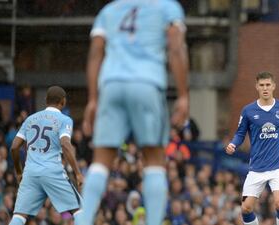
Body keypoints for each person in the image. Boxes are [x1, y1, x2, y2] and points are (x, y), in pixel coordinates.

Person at [78, 0, 189, 224]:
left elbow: (95, 53)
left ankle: (82, 220)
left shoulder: (109, 10)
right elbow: (176, 47)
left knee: (100, 160)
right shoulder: (167, 7)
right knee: (154, 158)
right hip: (147, 84)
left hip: (111, 84)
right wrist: (184, 94)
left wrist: (92, 99)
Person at [226, 72, 279, 225]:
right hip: (256, 167)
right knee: (246, 208)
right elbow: (240, 133)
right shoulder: (248, 111)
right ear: (257, 87)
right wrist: (233, 144)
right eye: (262, 85)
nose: (265, 88)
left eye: (268, 85)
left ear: (273, 86)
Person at [9, 86, 84, 225]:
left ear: (46, 101)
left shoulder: (30, 119)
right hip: (52, 171)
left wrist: (19, 172)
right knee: (80, 210)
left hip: (30, 173)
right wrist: (78, 173)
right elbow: (66, 145)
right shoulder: (64, 119)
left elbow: (14, 147)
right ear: (63, 102)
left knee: (19, 215)